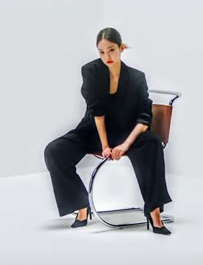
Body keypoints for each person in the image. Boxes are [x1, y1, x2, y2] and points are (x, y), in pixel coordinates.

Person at [44, 27, 172, 235]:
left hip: (127, 133)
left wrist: (125, 145)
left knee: (152, 144)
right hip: (93, 131)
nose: (107, 56)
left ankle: (154, 212)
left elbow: (144, 117)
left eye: (111, 50)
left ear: (121, 48)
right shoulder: (91, 71)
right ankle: (81, 205)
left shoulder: (137, 77)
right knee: (54, 151)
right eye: (102, 52)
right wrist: (104, 145)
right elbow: (97, 111)